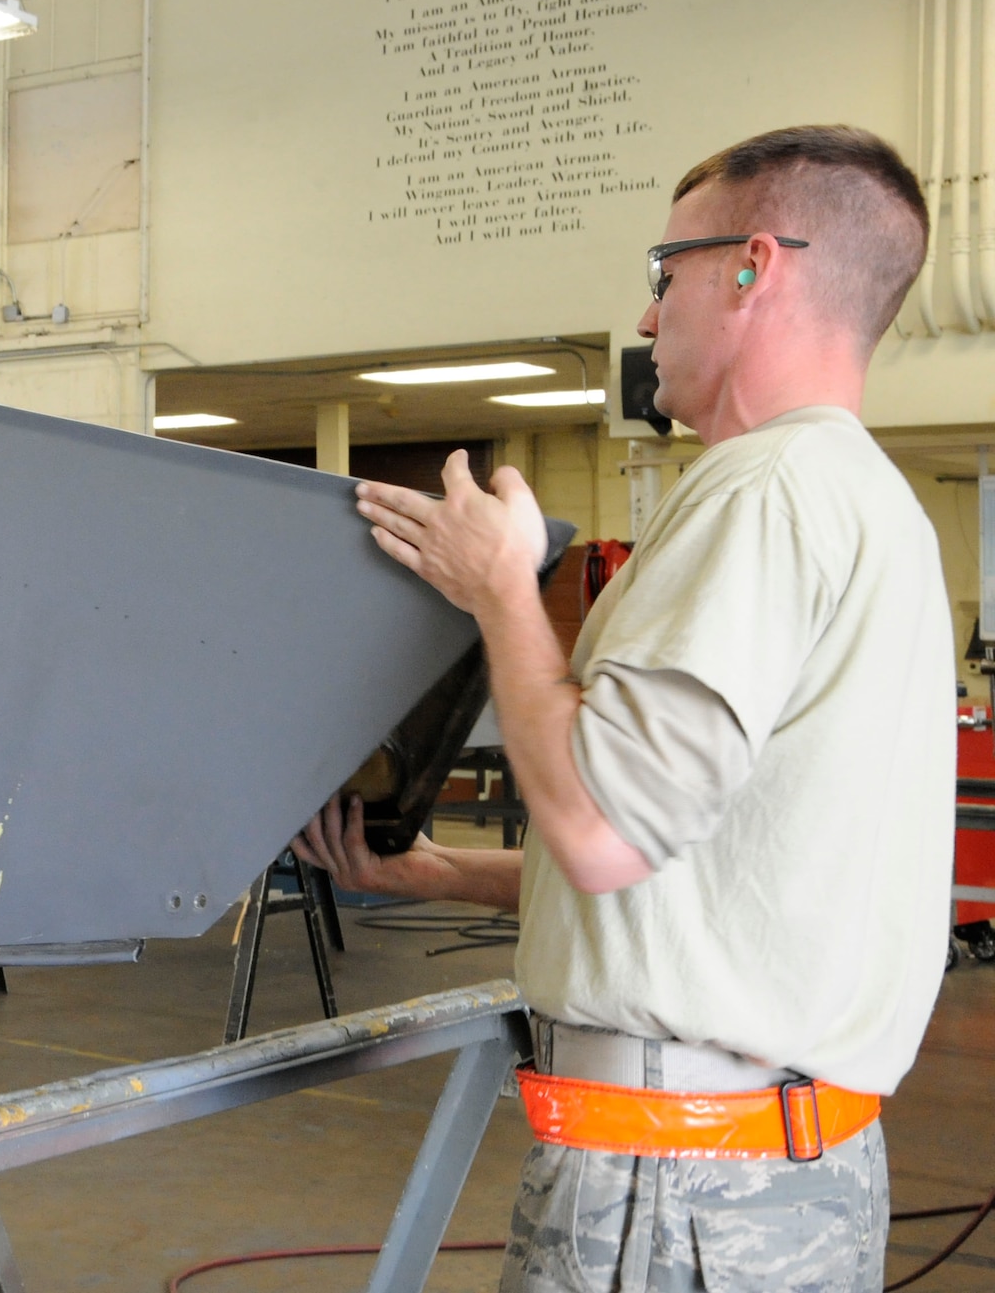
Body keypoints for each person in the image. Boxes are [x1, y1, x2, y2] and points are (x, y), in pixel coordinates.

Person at [294, 125, 955, 1291]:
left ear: (752, 266)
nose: (647, 319)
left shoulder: (760, 488)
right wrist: (445, 876)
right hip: (784, 1177)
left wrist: (501, 588)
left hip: (676, 1191)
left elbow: (603, 832)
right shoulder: (870, 503)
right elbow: (725, 864)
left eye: (666, 273)